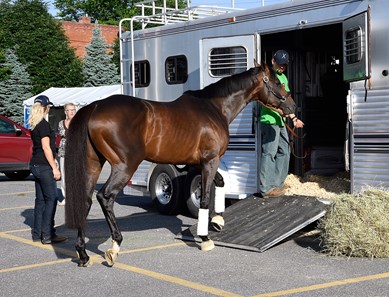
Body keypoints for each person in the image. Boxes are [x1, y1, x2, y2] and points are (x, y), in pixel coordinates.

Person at [257, 50, 304, 198]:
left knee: (285, 150)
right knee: (269, 153)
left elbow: (285, 103)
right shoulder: (268, 78)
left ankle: (277, 184)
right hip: (269, 120)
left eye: (284, 65)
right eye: (279, 64)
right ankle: (266, 188)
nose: (282, 67)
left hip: (281, 121)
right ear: (272, 61)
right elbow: (264, 101)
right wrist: (282, 113)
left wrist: (294, 118)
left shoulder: (283, 78)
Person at [29, 95, 67, 244]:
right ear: (44, 108)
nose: (50, 109)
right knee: (51, 199)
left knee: (40, 201)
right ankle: (48, 235)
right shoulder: (43, 125)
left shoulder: (34, 124)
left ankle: (37, 234)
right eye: (49, 107)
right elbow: (46, 147)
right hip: (44, 166)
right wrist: (55, 168)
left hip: (35, 165)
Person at [57, 102, 77, 206]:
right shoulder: (61, 123)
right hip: (64, 152)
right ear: (65, 112)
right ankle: (66, 197)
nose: (72, 112)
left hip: (76, 153)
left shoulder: (79, 122)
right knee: (64, 176)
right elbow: (63, 133)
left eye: (73, 109)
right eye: (69, 110)